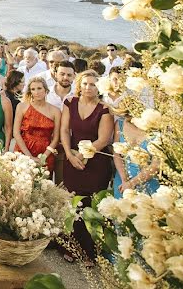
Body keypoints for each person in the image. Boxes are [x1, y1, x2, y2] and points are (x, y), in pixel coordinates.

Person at [61, 70, 114, 265]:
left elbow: (103, 140)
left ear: (98, 87)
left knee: (91, 205)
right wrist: (68, 153)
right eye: (85, 84)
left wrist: (83, 155)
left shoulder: (105, 109)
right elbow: (65, 130)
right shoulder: (70, 103)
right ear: (79, 85)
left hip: (95, 164)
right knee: (73, 204)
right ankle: (71, 247)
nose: (88, 88)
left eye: (92, 84)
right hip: (72, 158)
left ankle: (89, 252)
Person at [112, 98, 160, 198]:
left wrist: (132, 183)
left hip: (147, 181)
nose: (130, 120)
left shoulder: (155, 131)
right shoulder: (120, 124)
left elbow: (156, 165)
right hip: (121, 182)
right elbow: (116, 154)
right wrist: (124, 180)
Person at [13, 77, 61, 175]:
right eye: (33, 89)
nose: (36, 92)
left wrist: (43, 157)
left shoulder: (55, 111)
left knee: (43, 187)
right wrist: (29, 157)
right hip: (23, 151)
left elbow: (56, 138)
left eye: (39, 88)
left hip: (46, 153)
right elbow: (16, 133)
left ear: (46, 90)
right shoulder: (22, 106)